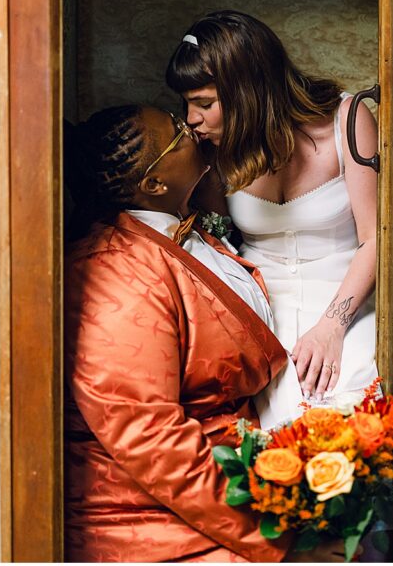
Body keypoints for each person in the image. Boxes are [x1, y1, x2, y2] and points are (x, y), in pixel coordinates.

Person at [64, 104, 292, 562]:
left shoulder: (177, 226)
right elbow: (150, 439)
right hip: (146, 512)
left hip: (225, 463)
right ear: (153, 185)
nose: (191, 128)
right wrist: (273, 538)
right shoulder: (114, 274)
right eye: (177, 132)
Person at [167, 10, 378, 426]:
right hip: (261, 306)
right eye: (189, 104)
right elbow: (212, 241)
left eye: (204, 104)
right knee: (273, 424)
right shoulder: (210, 146)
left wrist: (331, 328)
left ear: (248, 91)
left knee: (353, 416)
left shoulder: (347, 120)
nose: (192, 118)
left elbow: (376, 238)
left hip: (347, 296)